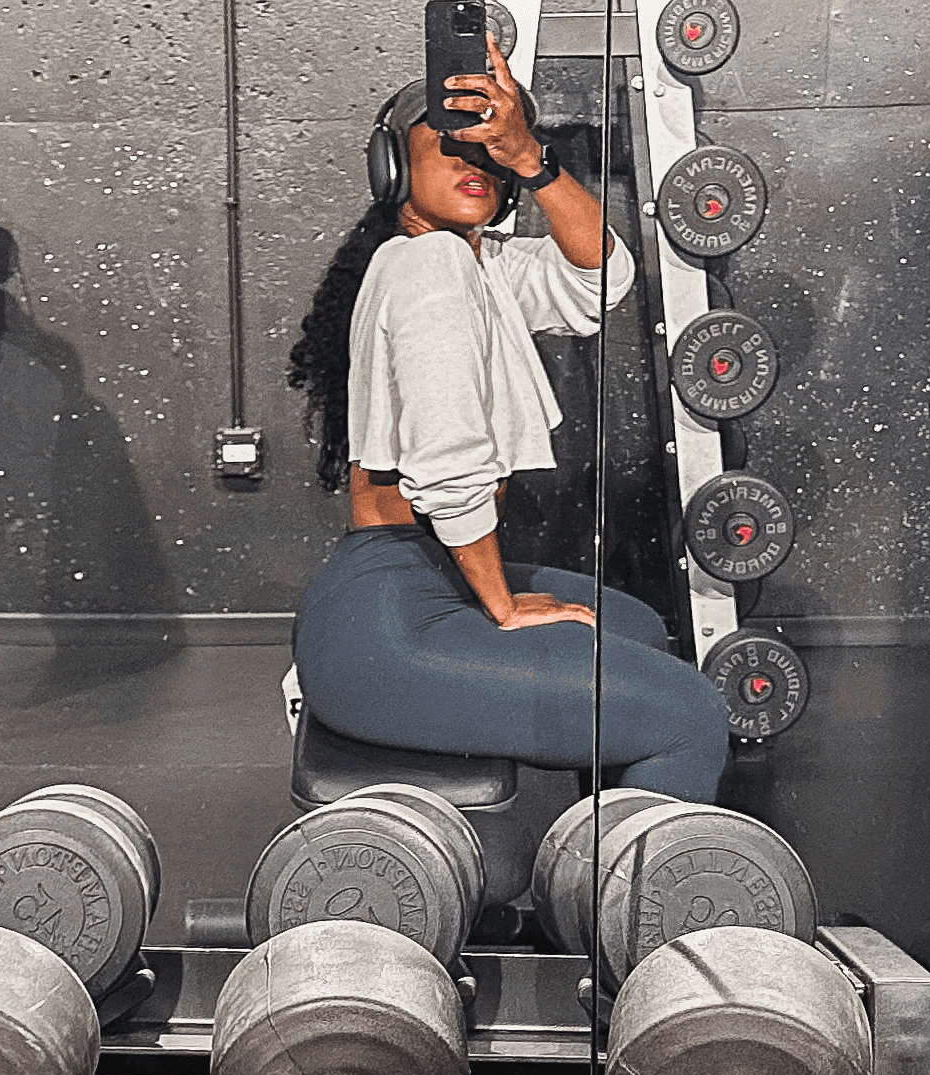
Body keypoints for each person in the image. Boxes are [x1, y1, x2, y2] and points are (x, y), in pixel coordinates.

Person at [286, 36, 729, 803]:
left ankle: (591, 877)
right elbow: (449, 460)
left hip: (410, 584)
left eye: (491, 155)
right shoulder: (431, 267)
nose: (476, 167)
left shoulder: (474, 260)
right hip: (392, 621)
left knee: (633, 626)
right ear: (392, 168)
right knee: (689, 714)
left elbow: (601, 279)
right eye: (452, 147)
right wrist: (499, 602)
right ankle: (621, 913)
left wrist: (534, 158)